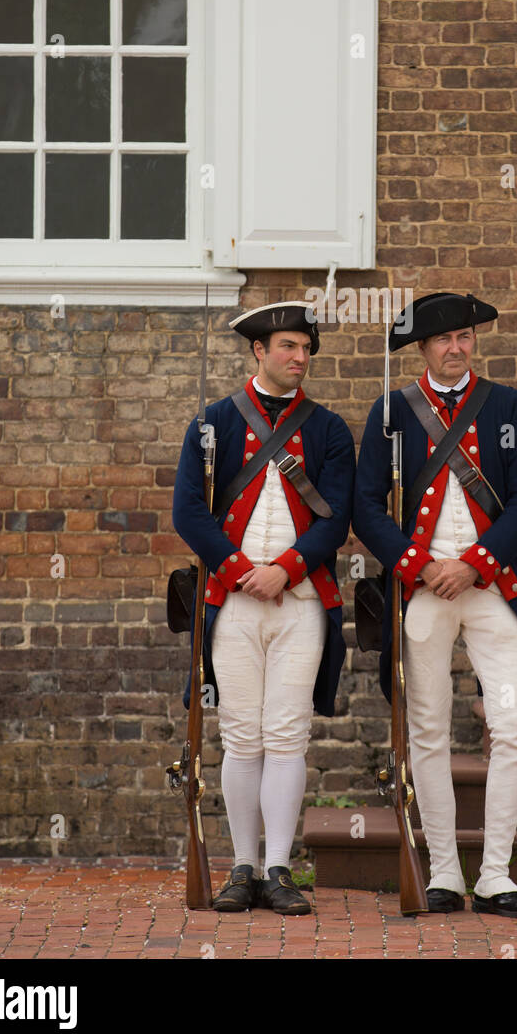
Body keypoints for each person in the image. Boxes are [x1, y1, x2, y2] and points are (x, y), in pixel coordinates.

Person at [353, 292, 517, 918]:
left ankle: (496, 875)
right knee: (429, 731)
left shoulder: (507, 406)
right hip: (426, 591)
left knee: (512, 725)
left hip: (493, 590)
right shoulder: (391, 412)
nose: (456, 347)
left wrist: (475, 563)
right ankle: (443, 873)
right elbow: (366, 508)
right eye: (443, 339)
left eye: (464, 336)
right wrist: (421, 566)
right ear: (423, 347)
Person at [172, 301, 355, 915]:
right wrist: (240, 569)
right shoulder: (214, 422)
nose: (299, 358)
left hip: (300, 600)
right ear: (259, 351)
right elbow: (189, 514)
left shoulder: (328, 429)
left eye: (306, 348)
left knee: (287, 736)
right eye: (287, 346)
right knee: (240, 737)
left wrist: (287, 568)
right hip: (234, 600)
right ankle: (242, 868)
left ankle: (279, 867)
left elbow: (337, 517)